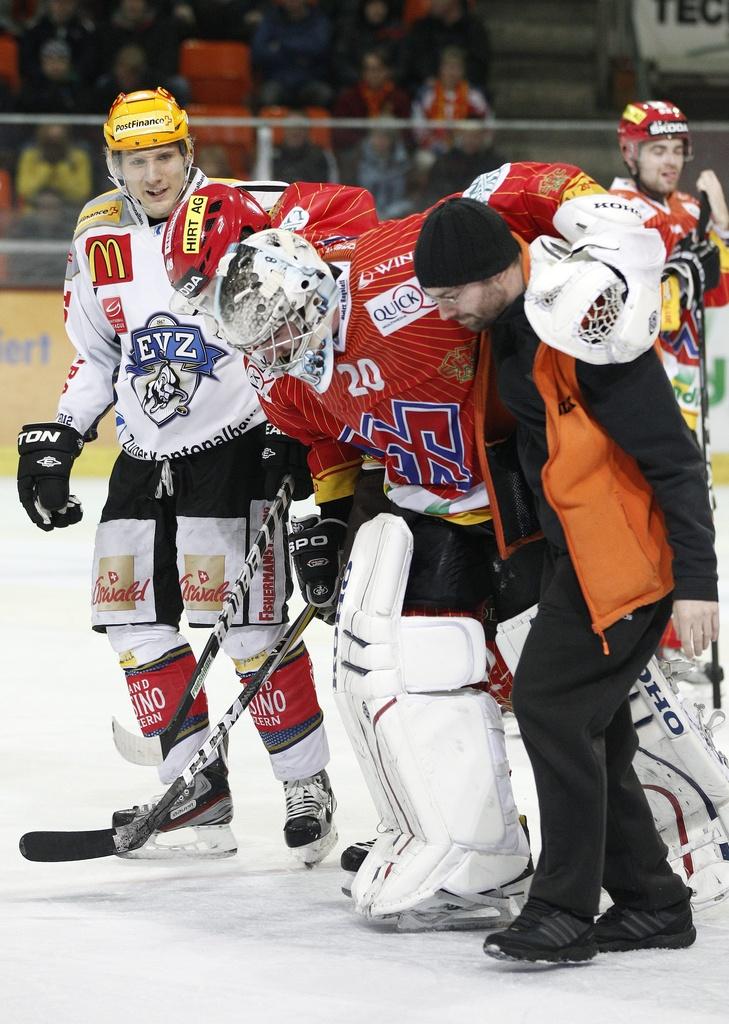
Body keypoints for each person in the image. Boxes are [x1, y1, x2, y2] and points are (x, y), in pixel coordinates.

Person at [162, 162, 626, 929]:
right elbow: (323, 436)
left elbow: (496, 193)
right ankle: (469, 845)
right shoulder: (271, 359)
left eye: (276, 326)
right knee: (396, 667)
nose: (269, 347)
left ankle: (683, 828)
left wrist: (591, 215)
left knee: (569, 682)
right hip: (430, 506)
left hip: (526, 492)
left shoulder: (390, 269)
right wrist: (337, 521)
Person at [15, 87, 338, 866]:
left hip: (235, 447)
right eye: (135, 159)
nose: (152, 173)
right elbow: (97, 354)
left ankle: (305, 783)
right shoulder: (99, 236)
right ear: (114, 162)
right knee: (134, 626)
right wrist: (60, 434)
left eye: (164, 156)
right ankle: (195, 789)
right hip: (141, 458)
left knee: (253, 630)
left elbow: (306, 308)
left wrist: (295, 428)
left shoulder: (241, 211)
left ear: (187, 153)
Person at [412, 195, 719, 962]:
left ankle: (561, 909)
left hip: (626, 564)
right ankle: (651, 902)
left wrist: (698, 584)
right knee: (595, 733)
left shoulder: (582, 321)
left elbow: (676, 461)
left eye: (451, 294)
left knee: (549, 708)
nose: (443, 311)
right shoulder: (506, 325)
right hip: (574, 558)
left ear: (492, 275)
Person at [610, 100, 729, 666]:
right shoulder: (615, 212)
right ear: (629, 151)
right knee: (647, 504)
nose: (671, 160)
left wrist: (720, 225)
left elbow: (721, 292)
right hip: (637, 384)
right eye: (658, 149)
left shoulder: (688, 207)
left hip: (683, 381)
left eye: (677, 149)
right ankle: (648, 636)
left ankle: (676, 638)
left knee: (686, 502)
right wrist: (684, 275)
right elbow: (638, 307)